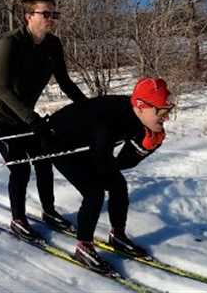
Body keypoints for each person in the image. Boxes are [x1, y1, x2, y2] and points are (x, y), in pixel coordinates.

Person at [0, 0, 87, 241]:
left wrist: (87, 107)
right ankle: (18, 219)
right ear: (28, 16)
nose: (51, 18)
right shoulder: (11, 43)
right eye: (45, 13)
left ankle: (49, 212)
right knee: (20, 168)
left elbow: (65, 82)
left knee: (43, 159)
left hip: (23, 114)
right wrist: (32, 119)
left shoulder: (53, 45)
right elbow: (4, 91)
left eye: (54, 13)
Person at [42, 77, 173, 272]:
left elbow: (123, 163)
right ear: (140, 107)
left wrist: (145, 147)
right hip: (59, 141)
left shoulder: (142, 120)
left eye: (168, 110)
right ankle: (83, 246)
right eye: (161, 112)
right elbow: (102, 162)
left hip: (89, 143)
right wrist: (138, 150)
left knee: (118, 185)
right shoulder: (108, 122)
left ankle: (117, 235)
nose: (166, 117)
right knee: (94, 192)